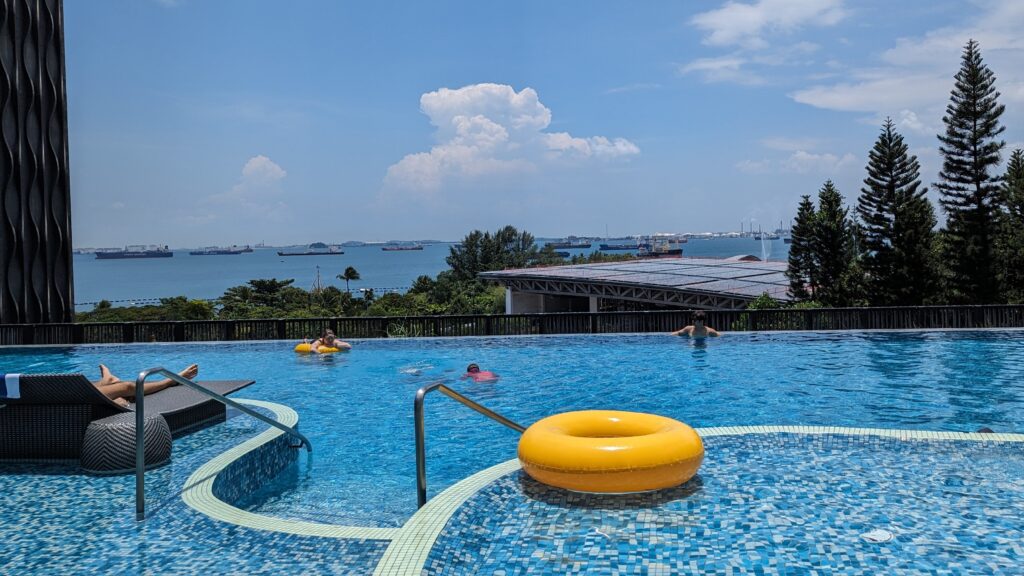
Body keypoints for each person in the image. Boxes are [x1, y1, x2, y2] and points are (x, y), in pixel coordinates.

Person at [92, 364, 199, 408]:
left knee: (92, 387)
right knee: (127, 387)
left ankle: (107, 381)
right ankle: (170, 381)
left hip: (81, 392)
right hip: (79, 397)